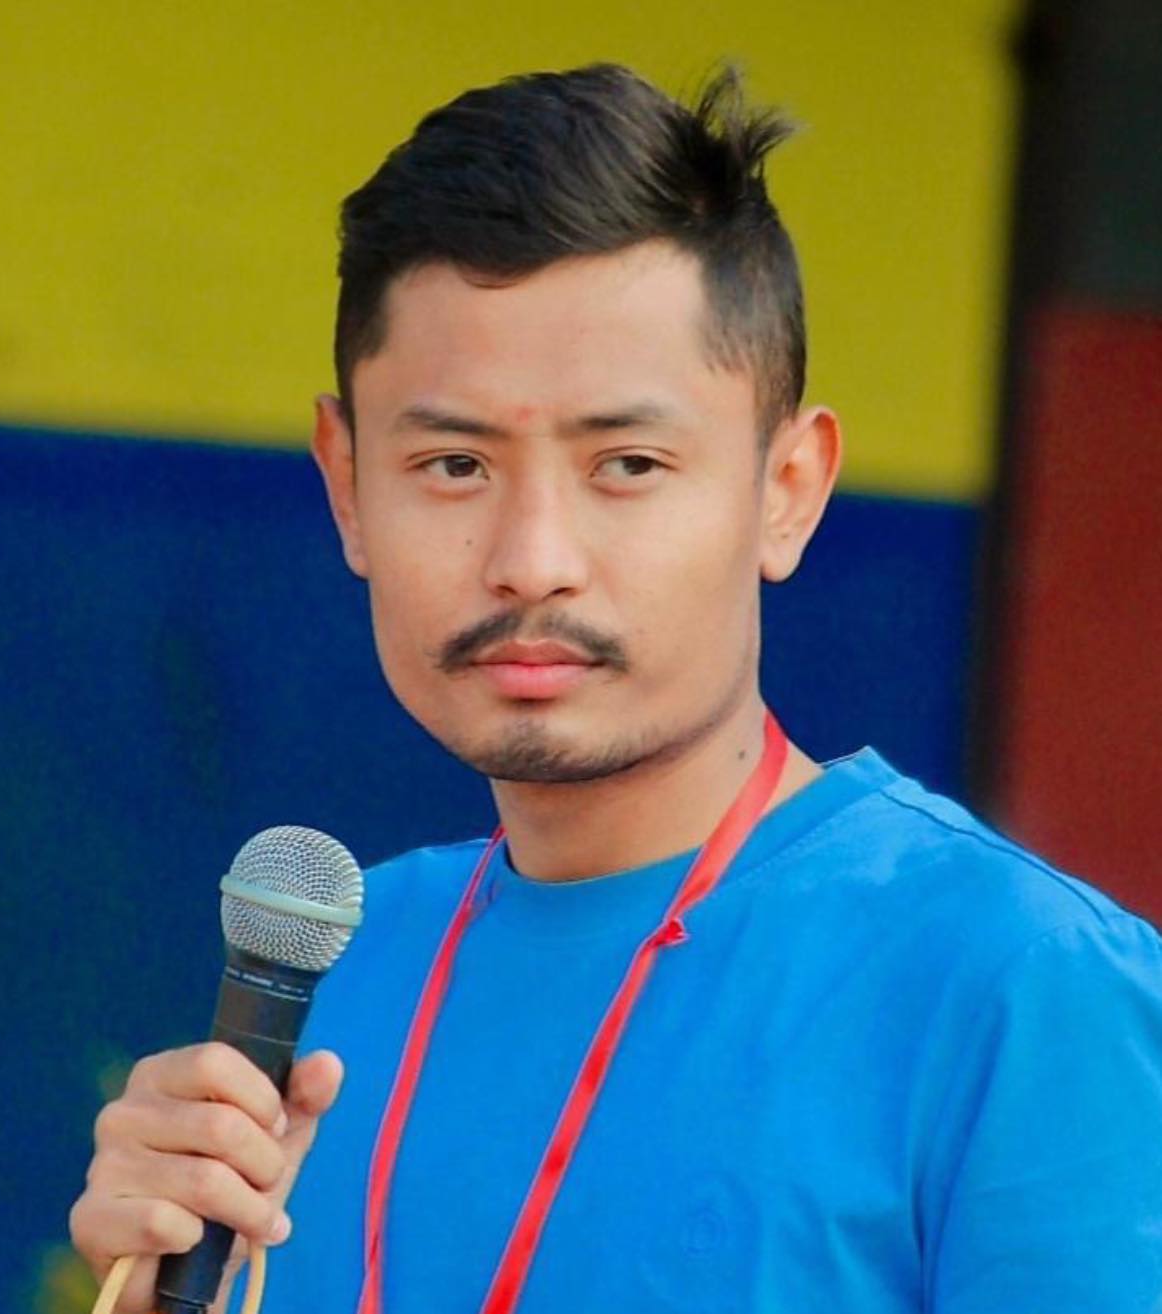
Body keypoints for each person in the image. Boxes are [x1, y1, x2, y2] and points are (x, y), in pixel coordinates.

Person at [68, 63, 1162, 1313]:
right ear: (347, 485)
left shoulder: (1018, 987)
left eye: (628, 463)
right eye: (454, 464)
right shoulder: (342, 973)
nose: (533, 558)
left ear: (787, 490)